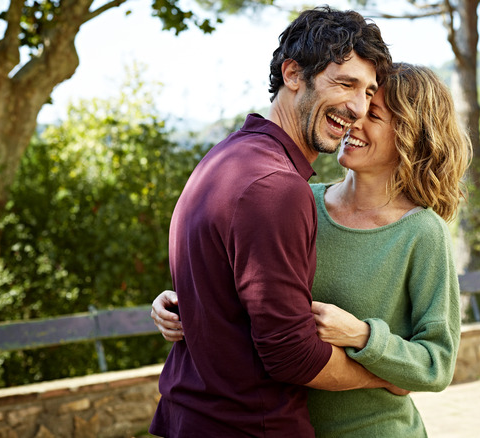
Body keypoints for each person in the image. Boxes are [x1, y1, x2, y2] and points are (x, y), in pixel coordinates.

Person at [153, 62, 472, 437]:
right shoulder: (300, 201)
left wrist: (363, 336)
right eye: (355, 107)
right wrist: (190, 302)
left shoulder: (421, 232)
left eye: (374, 115)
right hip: (282, 426)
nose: (353, 120)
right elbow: (259, 302)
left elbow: (438, 362)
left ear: (410, 135)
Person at [147, 7, 394, 437]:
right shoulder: (275, 187)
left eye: (368, 92)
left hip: (191, 417)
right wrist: (387, 378)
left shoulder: (224, 159)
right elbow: (291, 354)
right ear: (294, 73)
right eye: (345, 83)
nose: (357, 107)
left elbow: (219, 293)